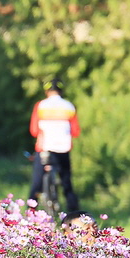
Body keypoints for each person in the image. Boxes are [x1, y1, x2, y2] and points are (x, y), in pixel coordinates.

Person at [29, 78, 81, 215]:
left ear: (46, 91)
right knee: (66, 183)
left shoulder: (40, 106)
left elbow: (34, 130)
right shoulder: (69, 106)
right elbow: (75, 132)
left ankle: (30, 213)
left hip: (44, 149)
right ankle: (75, 214)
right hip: (63, 149)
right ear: (61, 90)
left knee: (37, 182)